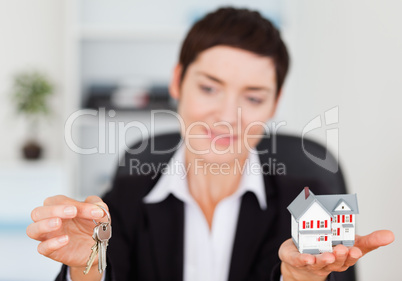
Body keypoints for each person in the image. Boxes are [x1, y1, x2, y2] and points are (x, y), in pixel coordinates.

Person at [26, 7, 394, 281]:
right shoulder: (126, 197)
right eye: (209, 88)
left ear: (275, 102)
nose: (227, 115)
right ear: (177, 81)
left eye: (252, 97)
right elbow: (99, 266)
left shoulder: (311, 203)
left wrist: (299, 279)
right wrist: (83, 268)